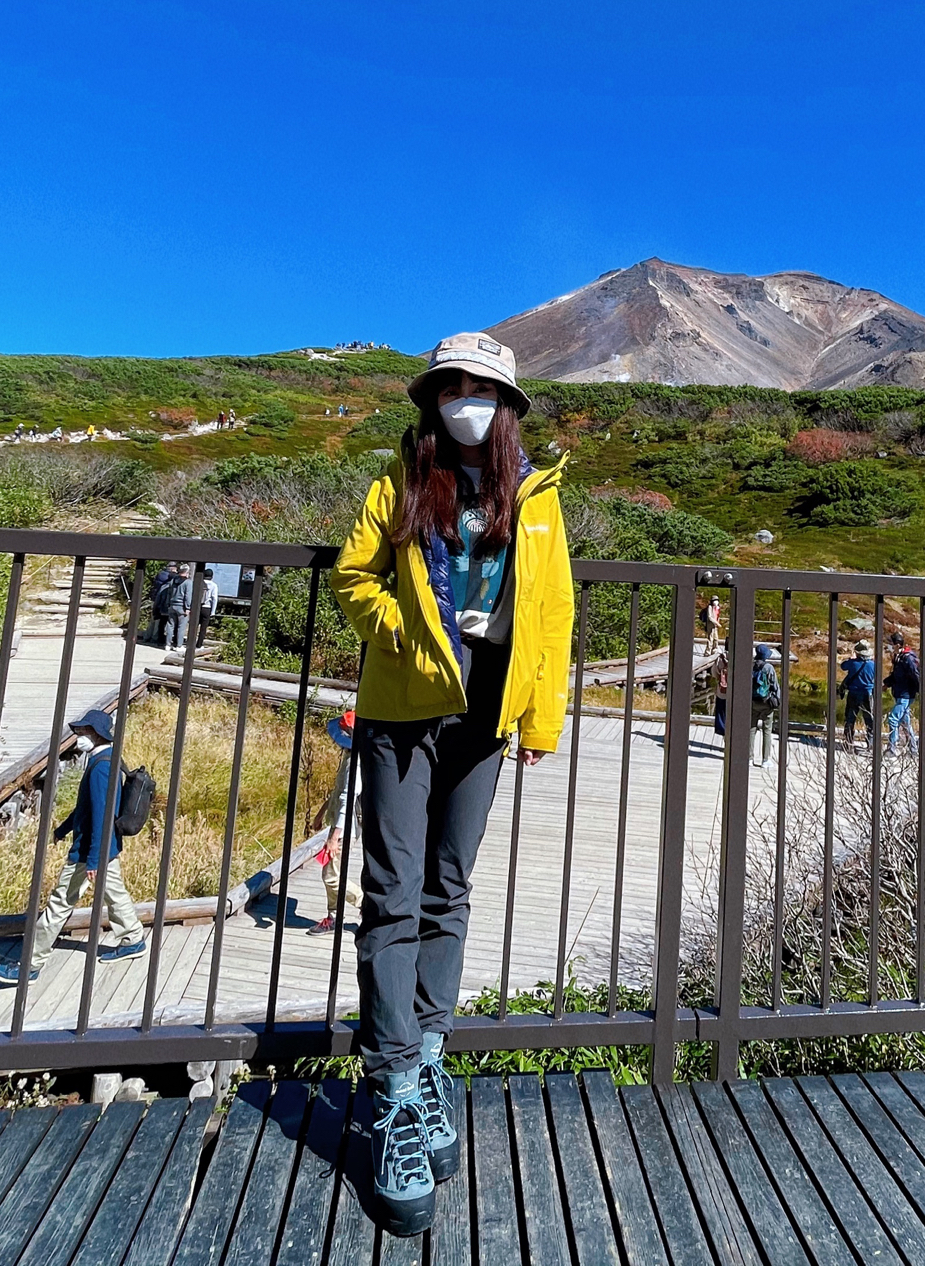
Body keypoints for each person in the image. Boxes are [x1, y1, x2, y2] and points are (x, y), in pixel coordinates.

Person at [332, 332, 574, 1238]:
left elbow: (553, 613)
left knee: (450, 888)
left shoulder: (539, 496)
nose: (465, 400)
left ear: (507, 406)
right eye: (451, 387)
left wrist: (541, 717)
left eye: (482, 389)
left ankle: (430, 1050)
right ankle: (395, 1082)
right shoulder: (399, 480)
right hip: (402, 708)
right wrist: (391, 624)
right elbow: (357, 573)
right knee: (392, 892)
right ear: (430, 399)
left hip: (487, 714)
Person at [0, 709, 146, 981]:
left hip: (90, 851)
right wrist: (63, 829)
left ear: (97, 735)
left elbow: (102, 814)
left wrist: (93, 860)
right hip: (105, 848)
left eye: (84, 733)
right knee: (114, 893)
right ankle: (133, 939)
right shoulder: (106, 759)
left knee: (59, 904)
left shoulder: (101, 768)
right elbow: (87, 809)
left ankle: (29, 964)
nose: (78, 738)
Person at [308, 709, 364, 935]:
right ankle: (333, 916)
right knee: (333, 873)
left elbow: (348, 798)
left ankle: (364, 903)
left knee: (331, 876)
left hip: (345, 828)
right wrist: (322, 813)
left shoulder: (356, 764)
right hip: (339, 825)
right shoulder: (349, 757)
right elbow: (337, 792)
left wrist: (334, 838)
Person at [885, 633, 923, 756]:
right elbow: (897, 675)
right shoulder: (898, 657)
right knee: (905, 722)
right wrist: (886, 684)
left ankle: (892, 748)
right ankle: (913, 750)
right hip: (900, 693)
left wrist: (924, 695)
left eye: (891, 644)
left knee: (893, 719)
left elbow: (917, 676)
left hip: (905, 694)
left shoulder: (908, 658)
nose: (888, 647)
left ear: (897, 645)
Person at [838, 642, 876, 748]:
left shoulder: (853, 663)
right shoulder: (873, 665)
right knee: (869, 719)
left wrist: (851, 658)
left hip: (853, 693)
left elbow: (843, 666)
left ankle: (849, 742)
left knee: (850, 718)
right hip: (867, 694)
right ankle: (870, 744)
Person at [197, 567, 219, 647]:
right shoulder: (214, 585)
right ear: (212, 576)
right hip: (207, 607)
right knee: (203, 628)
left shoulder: (199, 583)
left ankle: (190, 642)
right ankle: (199, 644)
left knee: (194, 626)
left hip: (198, 606)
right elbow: (214, 598)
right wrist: (213, 611)